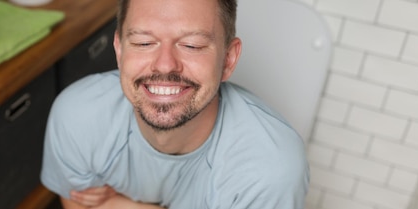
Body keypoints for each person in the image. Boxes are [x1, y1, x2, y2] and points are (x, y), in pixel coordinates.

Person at [40, 0, 309, 208]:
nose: (165, 64)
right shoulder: (78, 117)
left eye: (191, 45)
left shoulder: (270, 169)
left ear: (228, 59)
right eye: (144, 42)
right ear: (120, 51)